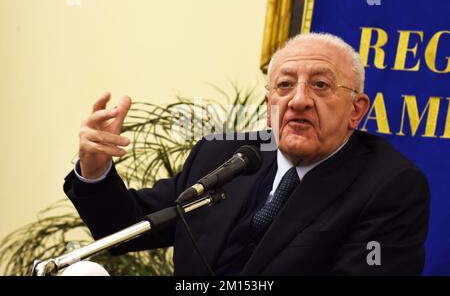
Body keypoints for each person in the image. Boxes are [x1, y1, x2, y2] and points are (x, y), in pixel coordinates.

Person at [64, 32, 430, 275]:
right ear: (270, 101)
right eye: (284, 85)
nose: (299, 100)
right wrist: (95, 169)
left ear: (356, 110)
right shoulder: (224, 154)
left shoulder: (388, 186)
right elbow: (127, 228)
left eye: (320, 85)